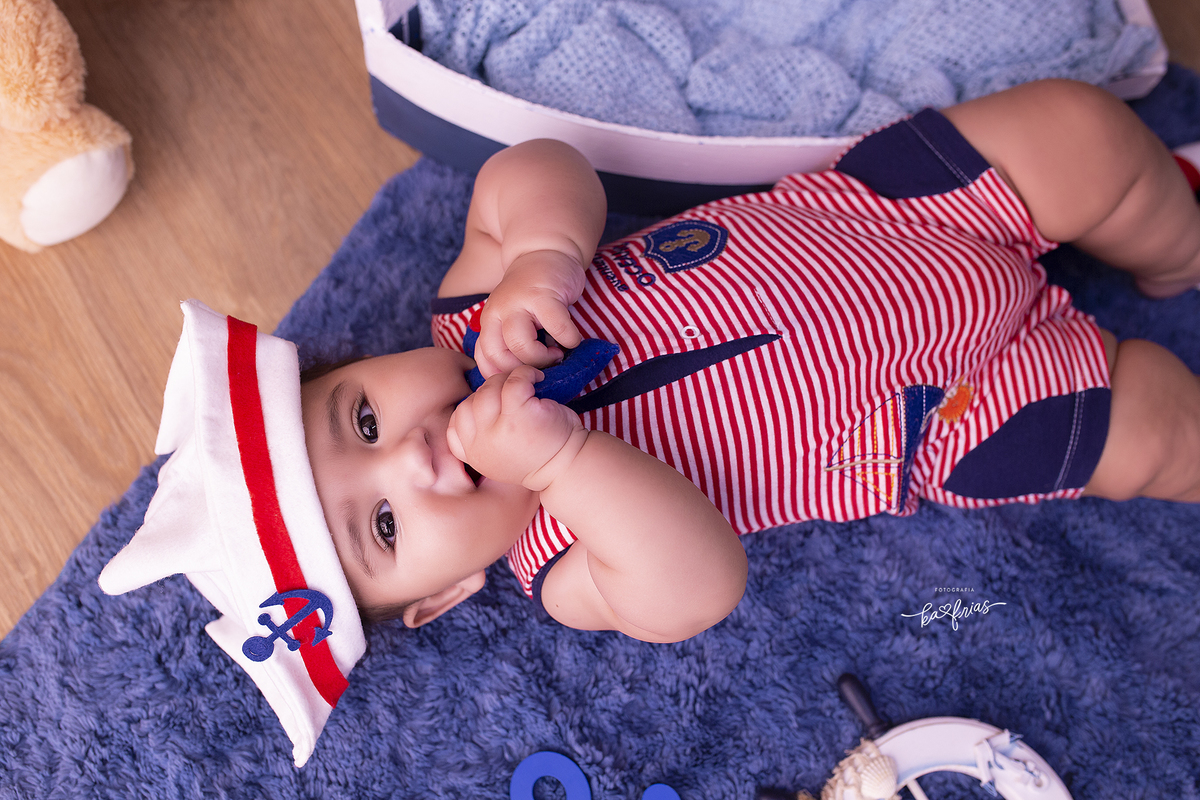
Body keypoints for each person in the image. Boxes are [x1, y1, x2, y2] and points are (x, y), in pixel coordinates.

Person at [299, 79, 1200, 645]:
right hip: (955, 411)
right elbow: (699, 584)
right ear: (449, 595)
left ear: (371, 361)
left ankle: (1177, 251)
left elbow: (531, 170)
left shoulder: (478, 309)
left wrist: (541, 254)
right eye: (383, 527)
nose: (410, 459)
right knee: (1165, 435)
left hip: (889, 219)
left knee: (1086, 128)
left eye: (364, 419)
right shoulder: (563, 567)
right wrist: (558, 461)